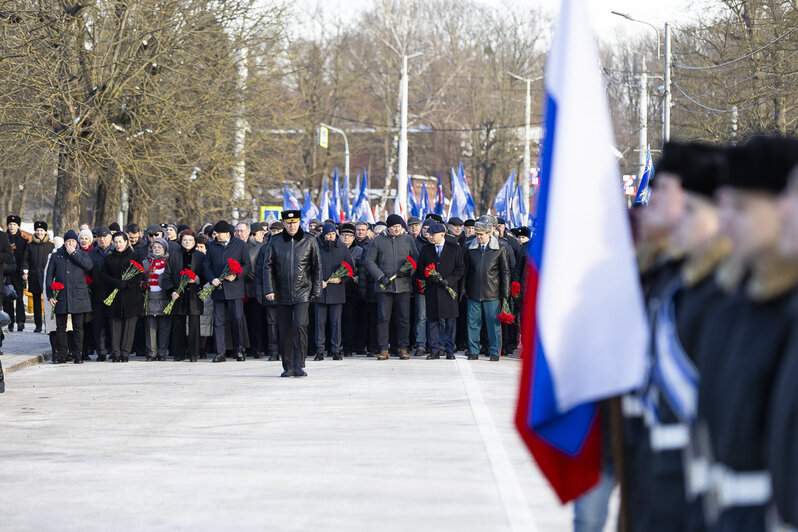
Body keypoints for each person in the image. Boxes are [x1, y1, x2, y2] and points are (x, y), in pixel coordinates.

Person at [262, 210, 322, 377]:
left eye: (294, 222)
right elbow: (267, 267)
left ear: (299, 222)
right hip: (282, 292)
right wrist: (269, 289)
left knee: (300, 326)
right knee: (286, 330)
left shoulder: (309, 240)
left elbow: (317, 267)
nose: (292, 226)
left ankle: (299, 364)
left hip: (303, 291)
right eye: (288, 223)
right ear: (284, 223)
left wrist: (316, 290)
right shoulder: (275, 241)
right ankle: (288, 366)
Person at [365, 213, 419, 360]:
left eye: (399, 227)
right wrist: (380, 277)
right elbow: (369, 261)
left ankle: (403, 347)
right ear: (388, 228)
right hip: (385, 287)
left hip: (403, 286)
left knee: (404, 318)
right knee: (383, 318)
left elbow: (415, 258)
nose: (397, 229)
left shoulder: (408, 240)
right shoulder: (378, 240)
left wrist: (409, 270)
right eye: (394, 227)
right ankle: (383, 348)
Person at [202, 220, 251, 363]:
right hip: (218, 288)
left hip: (235, 288)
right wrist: (212, 279)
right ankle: (220, 352)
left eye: (219, 234)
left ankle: (239, 350)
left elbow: (247, 264)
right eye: (215, 234)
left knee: (237, 319)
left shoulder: (240, 245)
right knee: (218, 321)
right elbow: (206, 266)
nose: (217, 236)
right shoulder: (211, 246)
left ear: (228, 233)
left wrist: (237, 275)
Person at [462, 221, 509, 361]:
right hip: (474, 292)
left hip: (492, 292)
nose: (479, 237)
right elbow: (465, 270)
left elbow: (505, 271)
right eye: (477, 234)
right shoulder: (470, 248)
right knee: (473, 324)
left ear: (489, 234)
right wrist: (463, 288)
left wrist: (505, 291)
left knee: (493, 324)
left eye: (481, 234)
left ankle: (495, 352)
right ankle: (473, 351)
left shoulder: (500, 248)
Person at [45, 230, 93, 364]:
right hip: (60, 295)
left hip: (78, 296)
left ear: (76, 243)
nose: (70, 244)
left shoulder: (82, 254)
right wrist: (50, 295)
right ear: (64, 242)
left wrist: (74, 254)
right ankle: (62, 354)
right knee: (61, 327)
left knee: (78, 327)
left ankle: (78, 354)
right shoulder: (56, 256)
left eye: (73, 241)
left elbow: (89, 266)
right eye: (68, 241)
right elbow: (49, 277)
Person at [419, 223, 464, 360]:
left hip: (448, 291)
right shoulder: (426, 249)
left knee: (450, 322)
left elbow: (460, 268)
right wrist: (430, 276)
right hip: (432, 290)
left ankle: (450, 350)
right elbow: (421, 267)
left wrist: (448, 281)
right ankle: (435, 350)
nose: (430, 237)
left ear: (442, 235)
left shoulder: (454, 248)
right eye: (429, 235)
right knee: (432, 321)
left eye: (433, 235)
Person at [100, 232, 145, 363]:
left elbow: (140, 274)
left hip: (131, 296)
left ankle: (125, 352)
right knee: (115, 325)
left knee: (129, 325)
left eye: (120, 242)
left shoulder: (134, 255)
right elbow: (103, 275)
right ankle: (116, 352)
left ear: (126, 242)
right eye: (116, 242)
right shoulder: (110, 258)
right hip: (115, 296)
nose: (118, 245)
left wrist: (127, 283)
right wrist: (116, 282)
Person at [314, 223, 353, 361]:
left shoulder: (342, 247)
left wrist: (341, 279)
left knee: (336, 323)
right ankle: (319, 351)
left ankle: (336, 350)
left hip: (336, 292)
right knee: (319, 323)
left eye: (332, 234)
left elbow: (350, 268)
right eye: (328, 235)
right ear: (323, 235)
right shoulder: (315, 247)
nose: (330, 237)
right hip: (320, 292)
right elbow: (308, 267)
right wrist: (318, 282)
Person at [171, 230, 204, 362]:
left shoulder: (200, 256)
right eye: (185, 240)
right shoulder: (174, 255)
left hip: (194, 293)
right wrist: (171, 291)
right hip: (178, 293)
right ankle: (178, 353)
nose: (187, 243)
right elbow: (168, 275)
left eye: (190, 240)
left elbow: (205, 273)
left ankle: (193, 353)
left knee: (194, 324)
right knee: (178, 323)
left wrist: (197, 279)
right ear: (181, 241)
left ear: (195, 241)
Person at [143, 238, 176, 361]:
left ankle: (162, 353)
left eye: (159, 247)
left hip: (165, 297)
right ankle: (151, 353)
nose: (156, 249)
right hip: (150, 297)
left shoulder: (169, 262)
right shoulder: (145, 262)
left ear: (165, 249)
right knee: (151, 327)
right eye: (154, 247)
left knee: (164, 327)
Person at [22, 221, 54, 333]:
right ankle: (38, 325)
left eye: (41, 230)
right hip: (34, 276)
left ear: (45, 232)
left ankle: (48, 325)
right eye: (37, 230)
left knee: (47, 301)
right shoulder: (30, 245)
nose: (39, 232)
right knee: (36, 302)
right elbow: (25, 260)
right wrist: (25, 271)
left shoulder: (51, 245)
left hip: (47, 277)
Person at [238, 221, 264, 359]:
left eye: (242, 231)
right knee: (239, 320)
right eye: (238, 231)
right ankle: (241, 348)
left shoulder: (259, 247)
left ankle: (256, 348)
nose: (239, 234)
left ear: (249, 232)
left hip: (253, 288)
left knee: (255, 321)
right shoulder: (233, 246)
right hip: (237, 287)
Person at [87, 226, 113, 361]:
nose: (102, 240)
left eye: (104, 237)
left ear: (110, 237)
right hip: (97, 293)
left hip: (114, 293)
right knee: (99, 324)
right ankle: (101, 351)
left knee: (113, 324)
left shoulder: (116, 251)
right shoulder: (92, 253)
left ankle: (114, 349)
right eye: (99, 237)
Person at [339, 223, 363, 357]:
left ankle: (349, 347)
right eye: (343, 235)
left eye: (349, 236)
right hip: (337, 289)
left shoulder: (359, 251)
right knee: (337, 320)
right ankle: (337, 345)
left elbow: (363, 267)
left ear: (354, 237)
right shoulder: (336, 249)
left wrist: (358, 276)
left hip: (352, 290)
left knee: (350, 319)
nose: (346, 238)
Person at [5, 214, 27, 332]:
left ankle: (20, 321)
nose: (12, 227)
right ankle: (10, 321)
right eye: (10, 224)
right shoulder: (4, 238)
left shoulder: (23, 241)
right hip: (6, 273)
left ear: (18, 226)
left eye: (14, 225)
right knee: (8, 298)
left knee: (19, 299)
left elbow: (25, 258)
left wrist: (24, 271)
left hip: (18, 273)